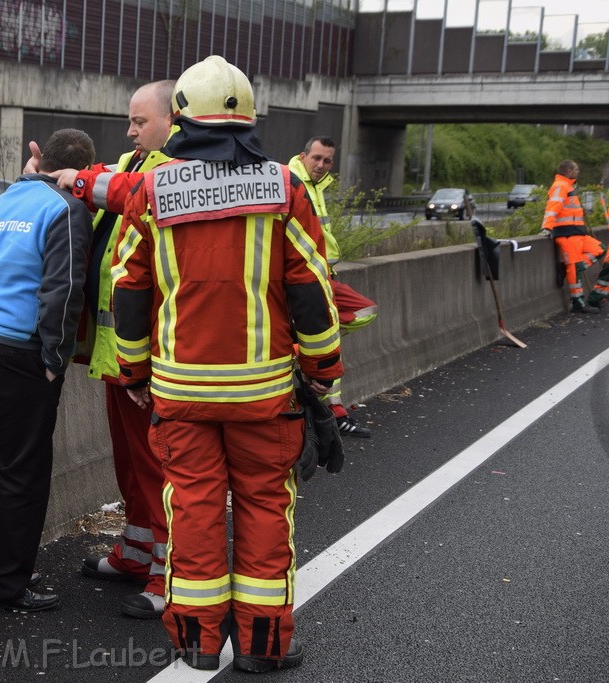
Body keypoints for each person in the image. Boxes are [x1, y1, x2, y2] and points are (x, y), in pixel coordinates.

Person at [61, 56, 343, 672]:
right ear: (248, 116)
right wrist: (323, 370)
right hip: (265, 396)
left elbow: (128, 287)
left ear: (182, 116)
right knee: (267, 509)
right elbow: (312, 291)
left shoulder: (156, 191)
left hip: (180, 393)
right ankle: (265, 648)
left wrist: (133, 374)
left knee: (191, 509)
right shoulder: (284, 188)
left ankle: (195, 643)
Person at [24, 81, 176, 620]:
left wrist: (83, 178)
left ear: (172, 118)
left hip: (154, 356)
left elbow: (124, 189)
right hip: (119, 353)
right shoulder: (134, 161)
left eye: (139, 121)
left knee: (161, 468)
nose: (130, 130)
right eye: (130, 122)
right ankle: (136, 551)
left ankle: (169, 574)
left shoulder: (173, 167)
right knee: (131, 460)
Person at [0, 128, 95, 613]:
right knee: (24, 475)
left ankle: (0, 569)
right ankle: (4, 587)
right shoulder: (67, 210)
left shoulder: (8, 199)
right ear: (78, 171)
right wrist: (55, 359)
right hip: (19, 351)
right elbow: (64, 289)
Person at [289, 137, 377, 437]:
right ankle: (333, 413)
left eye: (327, 161)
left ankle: (302, 354)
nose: (321, 165)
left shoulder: (317, 186)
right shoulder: (293, 183)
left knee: (364, 311)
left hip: (326, 275)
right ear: (303, 155)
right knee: (327, 341)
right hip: (308, 278)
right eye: (316, 158)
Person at [540, 159, 605, 313]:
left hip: (578, 232)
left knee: (600, 249)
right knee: (575, 267)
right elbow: (552, 207)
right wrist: (547, 227)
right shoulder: (560, 186)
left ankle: (571, 267)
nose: (578, 171)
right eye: (576, 169)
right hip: (567, 234)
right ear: (569, 171)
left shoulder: (568, 186)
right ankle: (577, 301)